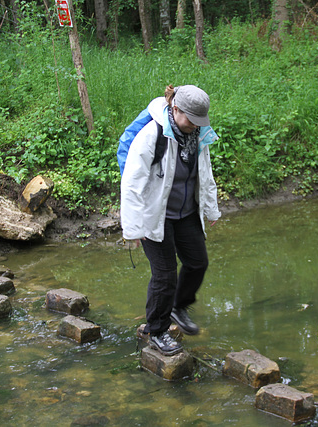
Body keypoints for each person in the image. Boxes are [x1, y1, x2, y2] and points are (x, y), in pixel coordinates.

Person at [120, 85, 221, 356]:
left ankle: (178, 307)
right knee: (165, 277)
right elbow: (132, 183)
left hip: (186, 212)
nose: (195, 126)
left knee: (197, 263)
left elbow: (205, 174)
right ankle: (157, 331)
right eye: (191, 120)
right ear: (175, 109)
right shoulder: (153, 134)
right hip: (156, 215)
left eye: (200, 121)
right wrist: (134, 228)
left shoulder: (197, 134)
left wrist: (211, 210)